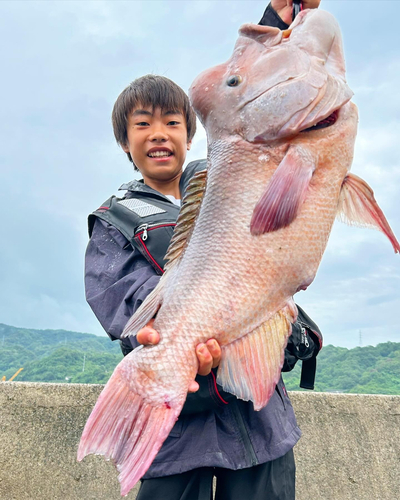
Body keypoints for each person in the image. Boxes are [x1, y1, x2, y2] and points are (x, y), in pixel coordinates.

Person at [85, 2, 322, 499]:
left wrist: (278, 18)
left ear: (193, 135)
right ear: (124, 144)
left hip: (260, 430)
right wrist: (182, 341)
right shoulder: (113, 222)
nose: (159, 134)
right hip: (176, 440)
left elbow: (251, 97)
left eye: (173, 122)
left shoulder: (231, 176)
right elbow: (126, 312)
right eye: (142, 125)